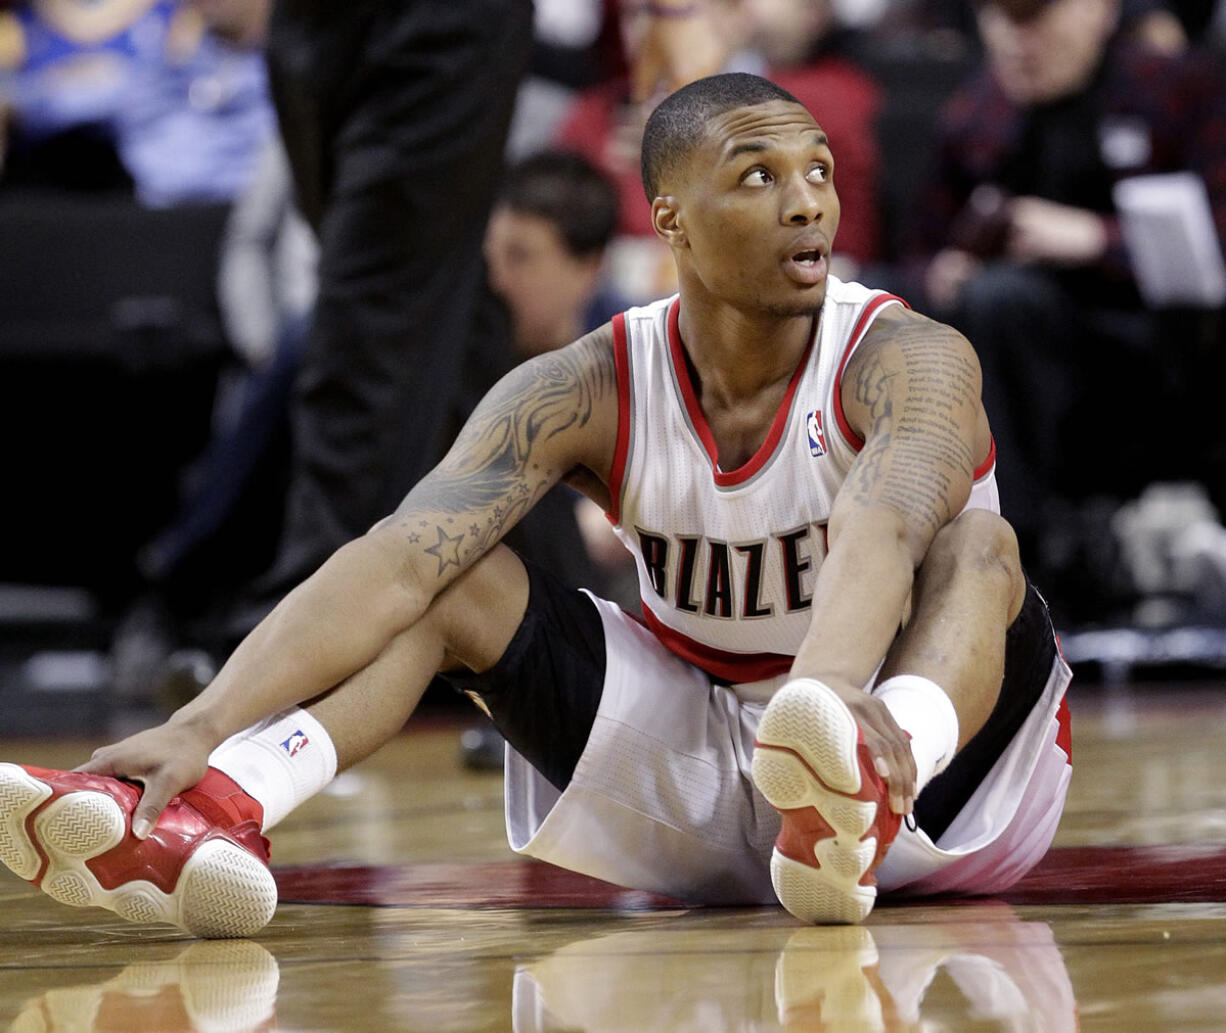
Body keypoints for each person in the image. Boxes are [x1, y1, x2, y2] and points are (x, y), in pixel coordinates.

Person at [0, 73, 1072, 936]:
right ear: (670, 221)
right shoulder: (581, 386)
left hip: (937, 774)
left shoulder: (906, 356)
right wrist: (201, 721)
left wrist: (834, 707)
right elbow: (395, 563)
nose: (805, 202)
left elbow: (884, 527)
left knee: (981, 544)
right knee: (455, 574)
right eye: (756, 176)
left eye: (818, 173)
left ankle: (853, 786)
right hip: (709, 760)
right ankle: (217, 809)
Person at [244, 0, 726, 618]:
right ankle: (556, 633)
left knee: (366, 330)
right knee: (443, 319)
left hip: (446, 20)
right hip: (318, 22)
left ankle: (297, 669)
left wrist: (670, 9)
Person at [896, 0, 1226, 622]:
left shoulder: (1179, 89)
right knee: (933, 307)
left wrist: (1096, 239)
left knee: (1003, 303)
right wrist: (943, 272)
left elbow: (1216, 243)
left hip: (1158, 347)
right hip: (1011, 345)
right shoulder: (977, 112)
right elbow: (916, 250)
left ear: (1100, 10)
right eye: (1002, 19)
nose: (1020, 40)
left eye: (1038, 17)